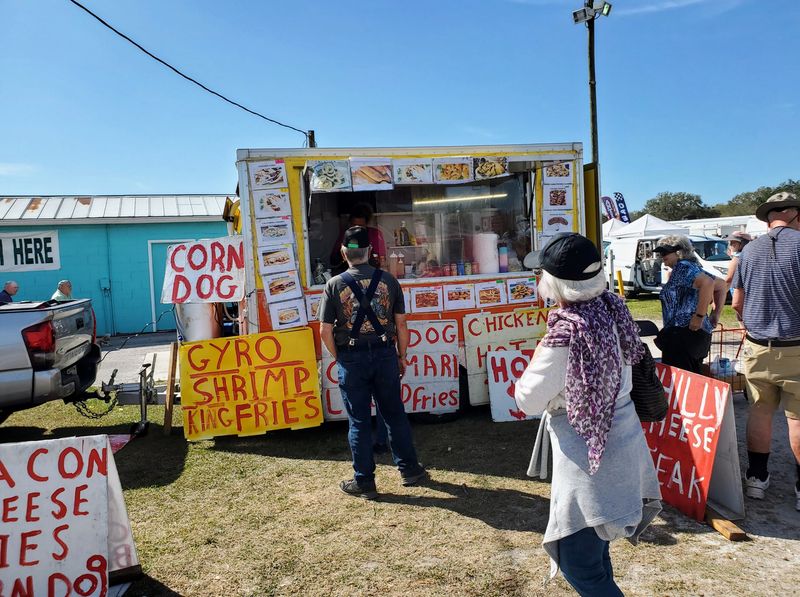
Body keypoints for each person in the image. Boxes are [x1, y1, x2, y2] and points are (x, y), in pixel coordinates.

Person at [515, 233, 661, 596]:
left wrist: (543, 362)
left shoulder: (566, 333)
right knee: (595, 549)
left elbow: (528, 399)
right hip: (623, 443)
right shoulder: (613, 309)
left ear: (553, 283)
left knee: (578, 559)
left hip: (590, 459)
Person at [319, 226, 426, 499]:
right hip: (384, 354)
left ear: (344, 252)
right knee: (394, 414)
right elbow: (401, 324)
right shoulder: (389, 280)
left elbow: (325, 330)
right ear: (369, 251)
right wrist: (402, 356)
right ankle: (410, 470)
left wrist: (339, 357)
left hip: (352, 358)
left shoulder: (334, 284)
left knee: (359, 421)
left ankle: (365, 481)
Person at [731, 191, 800, 511]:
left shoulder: (748, 251)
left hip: (758, 346)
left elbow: (736, 302)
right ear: (794, 215)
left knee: (760, 411)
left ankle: (756, 478)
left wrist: (752, 324)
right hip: (796, 345)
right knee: (797, 419)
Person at [653, 235, 716, 374]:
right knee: (692, 377)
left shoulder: (683, 267)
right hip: (693, 334)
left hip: (682, 334)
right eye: (660, 253)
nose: (662, 256)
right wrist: (714, 315)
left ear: (678, 251)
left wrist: (699, 316)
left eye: (665, 252)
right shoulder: (691, 267)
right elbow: (721, 286)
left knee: (679, 378)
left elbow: (708, 283)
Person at [329, 203, 387, 273]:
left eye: (360, 226)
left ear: (366, 224)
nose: (357, 229)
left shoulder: (375, 234)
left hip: (371, 272)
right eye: (354, 225)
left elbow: (380, 259)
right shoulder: (346, 235)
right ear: (350, 223)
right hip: (349, 273)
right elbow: (334, 260)